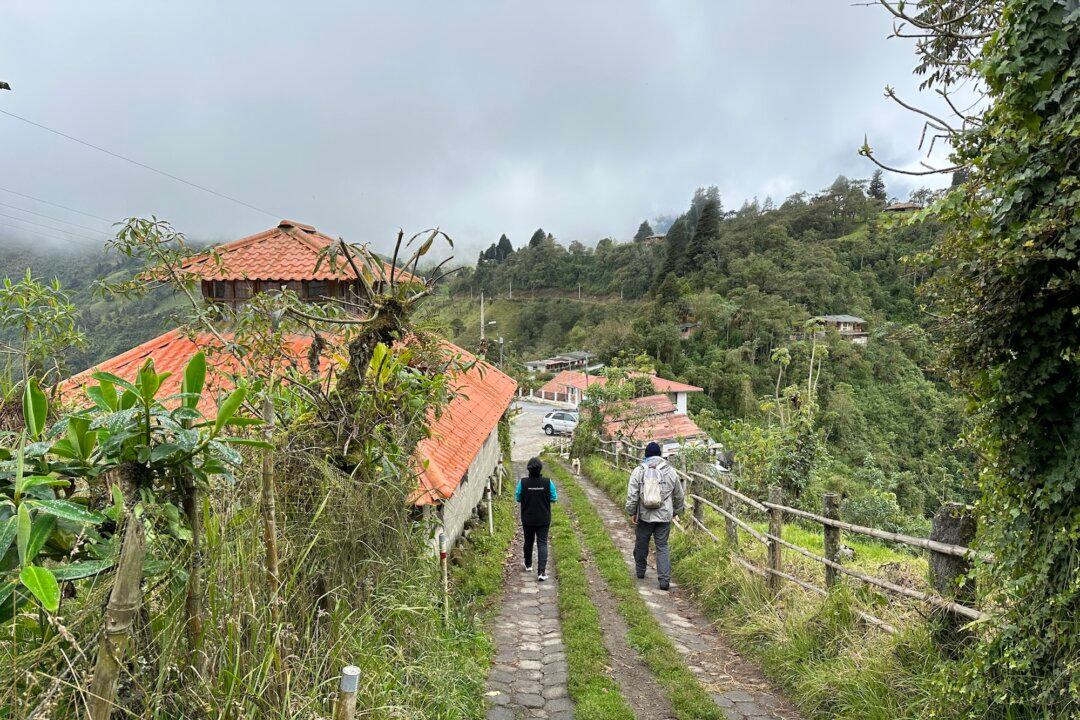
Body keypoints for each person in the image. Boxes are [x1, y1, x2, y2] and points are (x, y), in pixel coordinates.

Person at [624, 441, 684, 590]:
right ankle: (664, 581)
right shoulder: (670, 471)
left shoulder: (639, 470)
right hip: (664, 517)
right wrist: (675, 512)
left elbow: (632, 495)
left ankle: (640, 571)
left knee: (641, 542)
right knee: (662, 546)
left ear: (646, 455)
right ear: (660, 454)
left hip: (644, 516)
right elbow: (679, 496)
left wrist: (632, 512)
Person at [516, 456, 557, 581]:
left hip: (527, 518)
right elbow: (554, 498)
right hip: (543, 518)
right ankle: (541, 572)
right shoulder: (548, 482)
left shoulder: (522, 483)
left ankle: (528, 565)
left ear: (528, 469)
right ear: (540, 469)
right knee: (542, 543)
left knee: (528, 541)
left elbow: (518, 497)